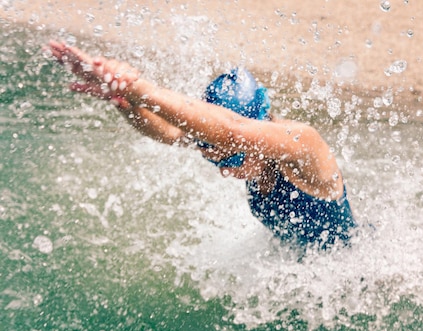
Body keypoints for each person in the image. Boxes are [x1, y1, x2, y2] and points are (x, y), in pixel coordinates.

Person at [48, 41, 356, 250]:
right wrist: (125, 102)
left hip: (353, 275)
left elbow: (232, 132)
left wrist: (137, 87)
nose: (224, 171)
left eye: (231, 161)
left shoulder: (304, 147)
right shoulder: (236, 150)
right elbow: (170, 133)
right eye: (213, 160)